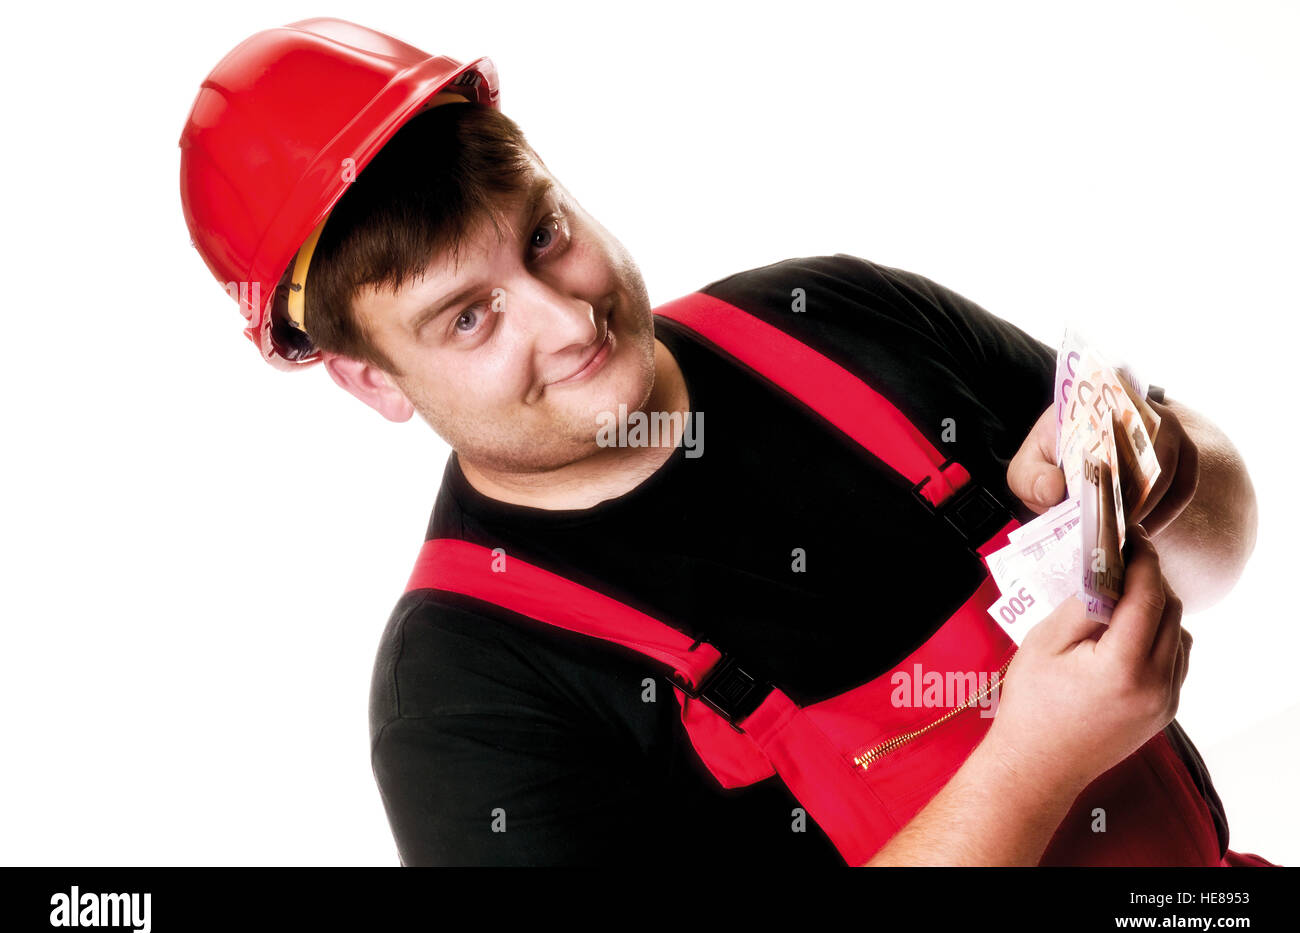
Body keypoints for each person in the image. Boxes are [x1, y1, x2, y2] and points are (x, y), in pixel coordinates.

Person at [181, 19, 1264, 867]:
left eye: (544, 237)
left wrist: (1150, 477)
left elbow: (1215, 549)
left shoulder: (834, 315)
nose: (568, 321)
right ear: (372, 377)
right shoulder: (466, 698)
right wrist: (1029, 768)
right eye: (470, 316)